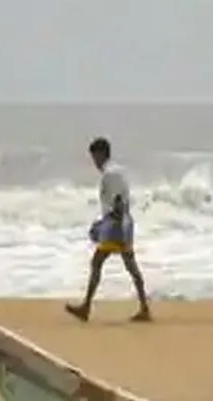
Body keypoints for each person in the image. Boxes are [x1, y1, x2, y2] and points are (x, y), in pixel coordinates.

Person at [65, 137, 152, 323]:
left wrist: (106, 225)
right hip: (123, 223)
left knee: (98, 262)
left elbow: (118, 201)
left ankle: (86, 308)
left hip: (116, 225)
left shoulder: (109, 174)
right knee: (130, 266)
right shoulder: (117, 171)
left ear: (101, 154)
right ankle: (144, 308)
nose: (94, 162)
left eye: (94, 157)